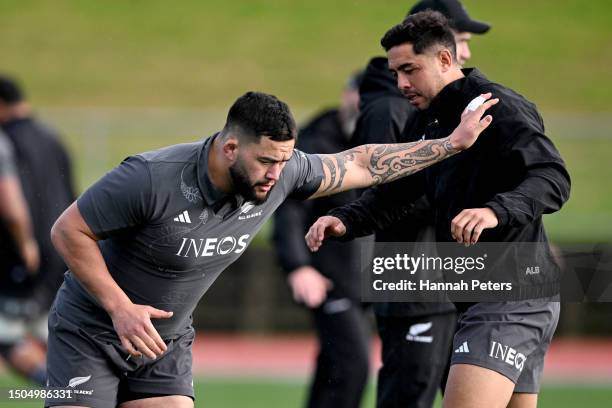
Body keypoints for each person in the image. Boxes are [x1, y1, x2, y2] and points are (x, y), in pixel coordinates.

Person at [46, 90, 495, 407]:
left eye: (284, 161)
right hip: (90, 331)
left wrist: (450, 144)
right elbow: (68, 230)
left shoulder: (284, 171)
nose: (276, 174)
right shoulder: (149, 177)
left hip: (165, 341)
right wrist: (121, 308)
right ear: (229, 148)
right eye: (265, 161)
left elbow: (361, 163)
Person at [306, 11, 570, 408]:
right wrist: (345, 219)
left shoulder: (497, 107)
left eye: (410, 69)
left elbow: (552, 177)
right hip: (481, 291)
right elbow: (398, 194)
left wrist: (494, 211)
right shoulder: (425, 122)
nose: (401, 83)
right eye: (396, 72)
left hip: (511, 293)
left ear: (446, 60)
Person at [350, 1, 490, 406]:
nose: (464, 54)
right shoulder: (391, 109)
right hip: (413, 286)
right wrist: (461, 201)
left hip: (442, 285)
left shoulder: (438, 108)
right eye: (460, 41)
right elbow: (380, 195)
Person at [273, 72, 371, 408]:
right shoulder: (316, 144)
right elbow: (288, 211)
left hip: (368, 280)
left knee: (334, 367)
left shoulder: (380, 139)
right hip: (330, 280)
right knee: (353, 366)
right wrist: (299, 267)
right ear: (348, 94)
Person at [0, 76, 75, 386]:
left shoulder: (6, 140)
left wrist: (24, 241)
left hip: (22, 252)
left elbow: (11, 203)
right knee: (55, 327)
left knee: (6, 336)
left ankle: (65, 390)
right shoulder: (53, 138)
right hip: (62, 247)